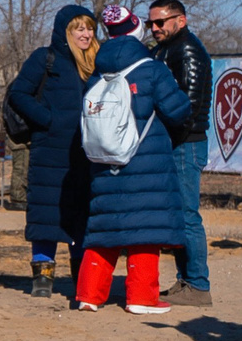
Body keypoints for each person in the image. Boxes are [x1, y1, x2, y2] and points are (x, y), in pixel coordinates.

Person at [75, 20, 193, 313]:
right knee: (145, 230)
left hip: (104, 161)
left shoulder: (97, 73)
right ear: (138, 35)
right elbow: (179, 110)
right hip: (146, 159)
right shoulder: (152, 69)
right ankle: (142, 298)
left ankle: (89, 295)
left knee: (104, 229)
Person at [4, 5, 98, 299]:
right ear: (65, 31)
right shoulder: (45, 59)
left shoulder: (98, 60)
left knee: (82, 215)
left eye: (89, 28)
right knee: (46, 213)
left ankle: (80, 276)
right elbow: (19, 94)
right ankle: (43, 277)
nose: (86, 34)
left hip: (88, 152)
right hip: (50, 150)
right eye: (79, 28)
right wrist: (48, 120)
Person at [144, 0, 215, 301]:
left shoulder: (187, 50)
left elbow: (189, 104)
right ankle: (185, 280)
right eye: (150, 23)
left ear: (180, 21)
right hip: (176, 141)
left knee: (187, 215)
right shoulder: (165, 48)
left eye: (160, 22)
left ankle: (198, 284)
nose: (154, 28)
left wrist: (172, 138)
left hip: (185, 143)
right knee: (177, 216)